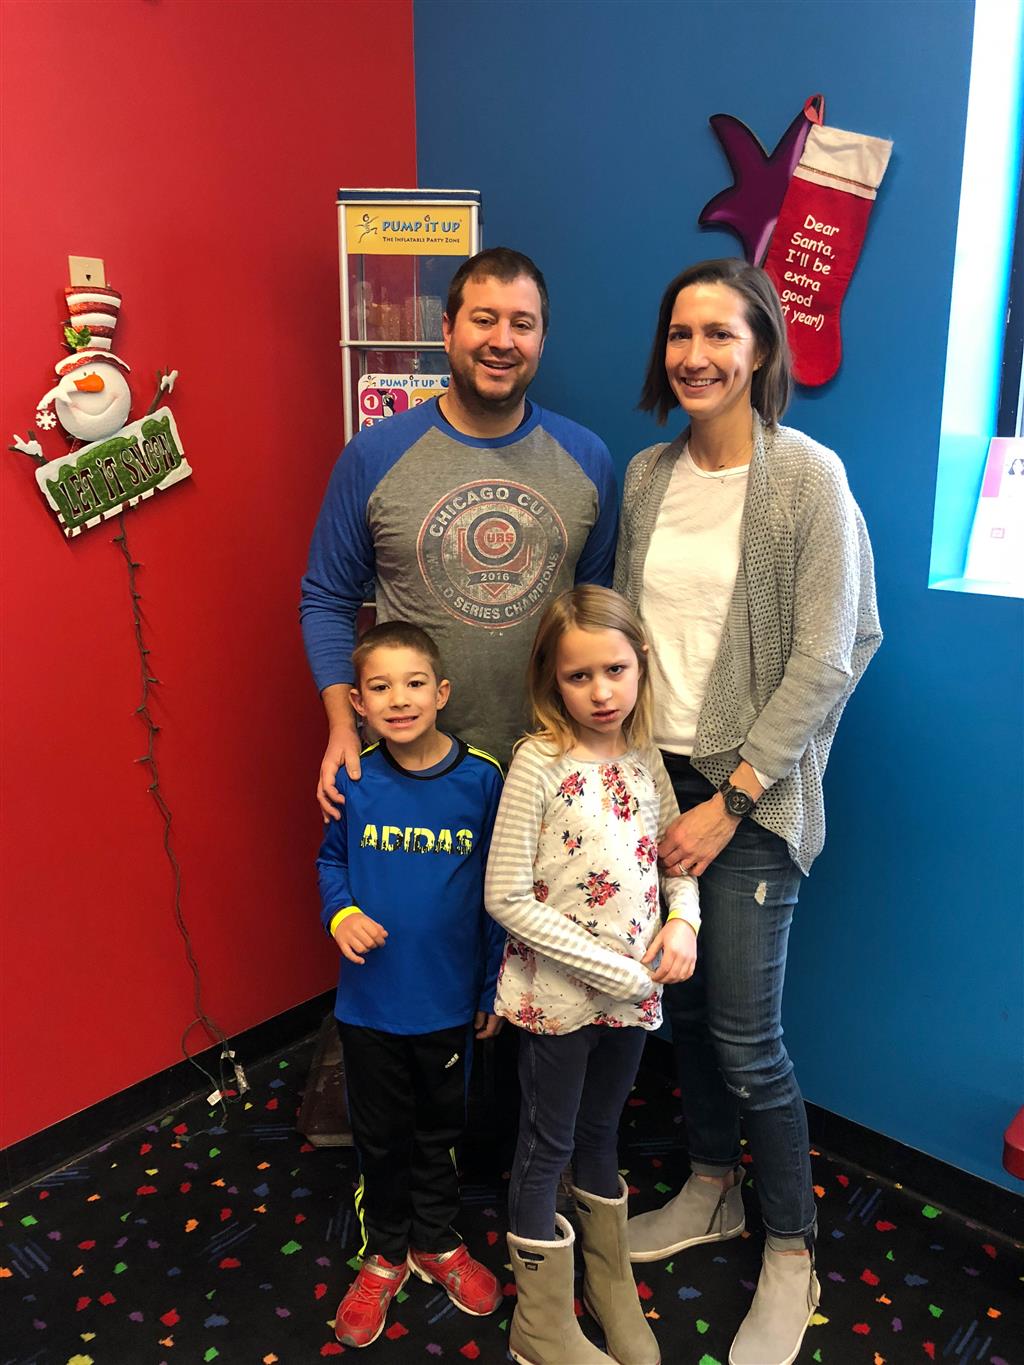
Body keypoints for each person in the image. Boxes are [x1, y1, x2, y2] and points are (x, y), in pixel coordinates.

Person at [615, 258, 882, 1365]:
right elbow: (627, 641)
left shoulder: (806, 477)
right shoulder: (646, 476)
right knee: (680, 1013)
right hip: (653, 782)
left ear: (760, 347)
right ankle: (710, 1188)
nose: (696, 356)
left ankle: (790, 1246)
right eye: (680, 334)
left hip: (750, 798)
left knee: (744, 1038)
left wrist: (730, 800)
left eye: (719, 334)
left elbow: (829, 654)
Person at [301, 246, 618, 813]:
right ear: (447, 331)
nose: (502, 341)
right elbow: (327, 598)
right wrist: (343, 725)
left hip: (550, 770)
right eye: (484, 319)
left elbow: (597, 615)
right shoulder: (373, 455)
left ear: (542, 341)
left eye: (522, 324)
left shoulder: (588, 459)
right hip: (408, 769)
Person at [485, 586, 701, 1365]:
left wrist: (685, 920)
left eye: (615, 669)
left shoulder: (645, 761)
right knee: (547, 1141)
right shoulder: (537, 763)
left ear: (640, 663)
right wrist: (617, 971)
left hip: (634, 998)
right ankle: (540, 1323)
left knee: (603, 1132)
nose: (601, 691)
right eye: (580, 676)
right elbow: (505, 894)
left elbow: (676, 859)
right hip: (559, 999)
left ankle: (608, 1281)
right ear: (553, 677)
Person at [316, 620, 506, 1349]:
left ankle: (436, 1239)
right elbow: (330, 862)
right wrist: (342, 914)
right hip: (369, 1006)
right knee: (382, 1137)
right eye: (380, 687)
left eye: (414, 683)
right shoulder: (353, 778)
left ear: (442, 692)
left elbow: (500, 892)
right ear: (358, 703)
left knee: (439, 1130)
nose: (398, 699)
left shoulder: (482, 779)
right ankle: (385, 1253)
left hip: (449, 1004)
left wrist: (490, 989)